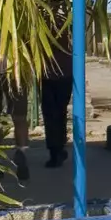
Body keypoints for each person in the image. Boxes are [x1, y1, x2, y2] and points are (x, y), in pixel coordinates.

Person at [38, 40, 74, 169]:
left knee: (56, 113)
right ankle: (56, 149)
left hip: (59, 73)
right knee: (54, 113)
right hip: (50, 74)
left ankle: (57, 148)